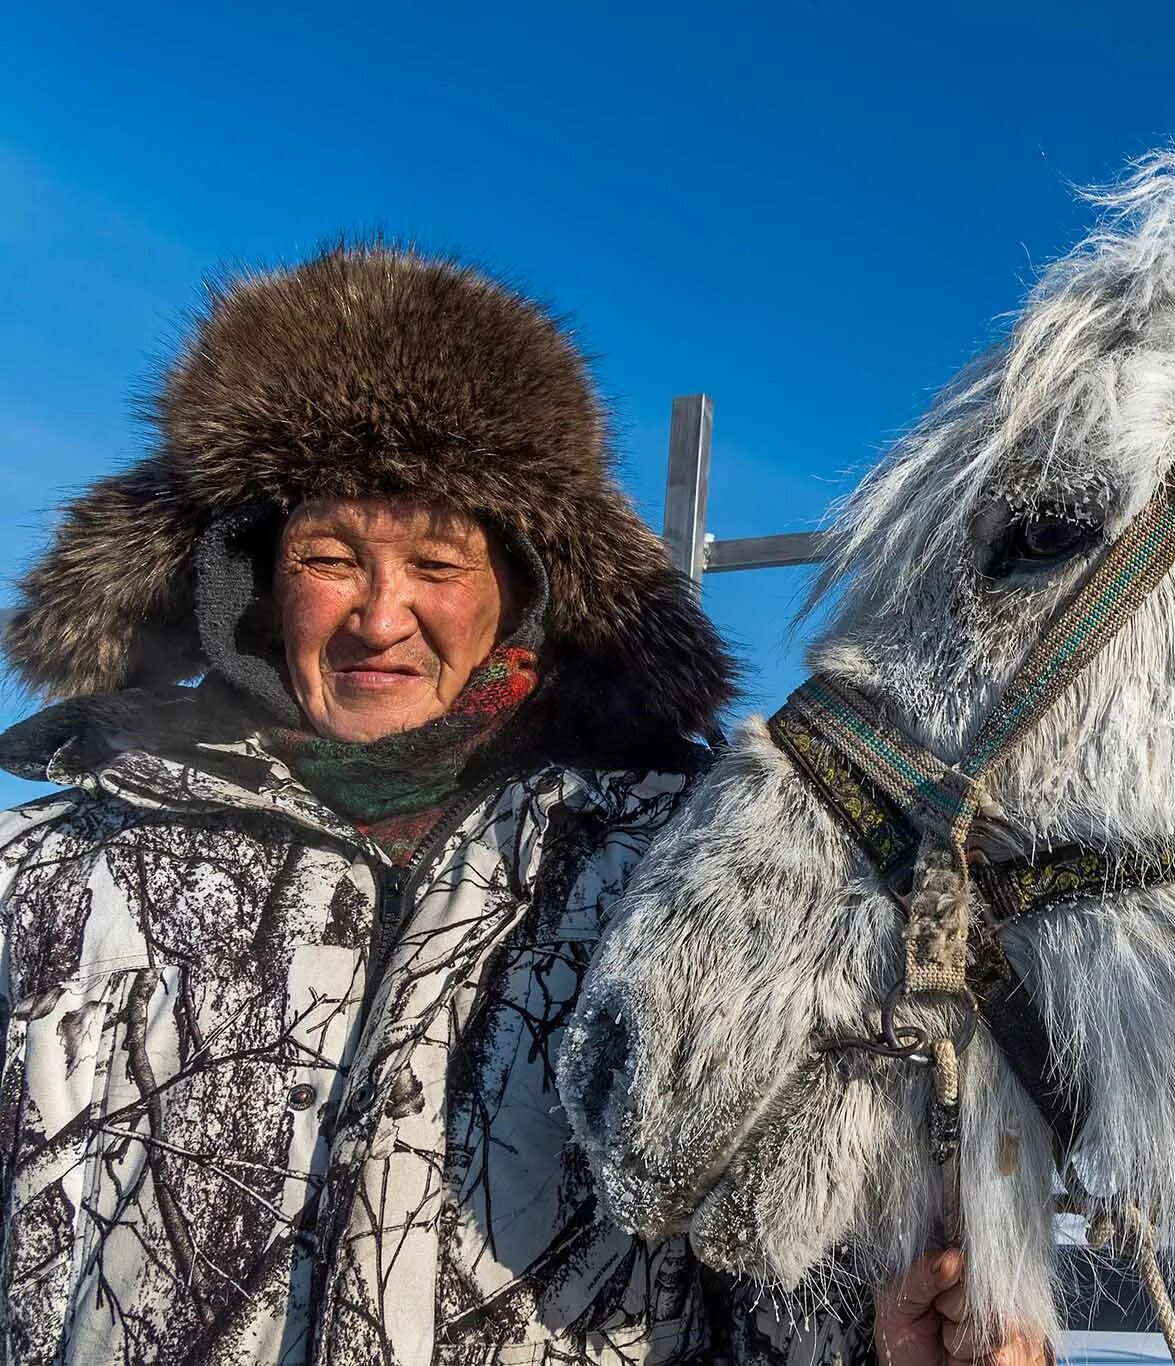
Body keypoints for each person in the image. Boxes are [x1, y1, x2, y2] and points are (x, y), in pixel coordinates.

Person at [0, 243, 884, 1365]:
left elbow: (779, 1273)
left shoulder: (682, 879)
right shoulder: (45, 875)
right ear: (257, 583)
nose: (379, 616)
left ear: (522, 591)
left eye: (437, 562)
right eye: (330, 556)